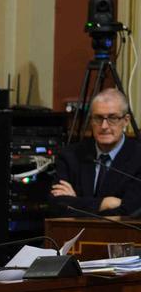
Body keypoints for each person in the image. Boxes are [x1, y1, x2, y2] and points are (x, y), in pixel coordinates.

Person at [49, 88, 141, 216]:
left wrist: (76, 202)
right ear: (91, 121)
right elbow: (56, 205)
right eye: (98, 118)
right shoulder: (70, 155)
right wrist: (105, 203)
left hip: (122, 235)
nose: (104, 126)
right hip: (74, 234)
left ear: (126, 120)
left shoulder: (138, 157)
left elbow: (131, 211)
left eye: (112, 118)